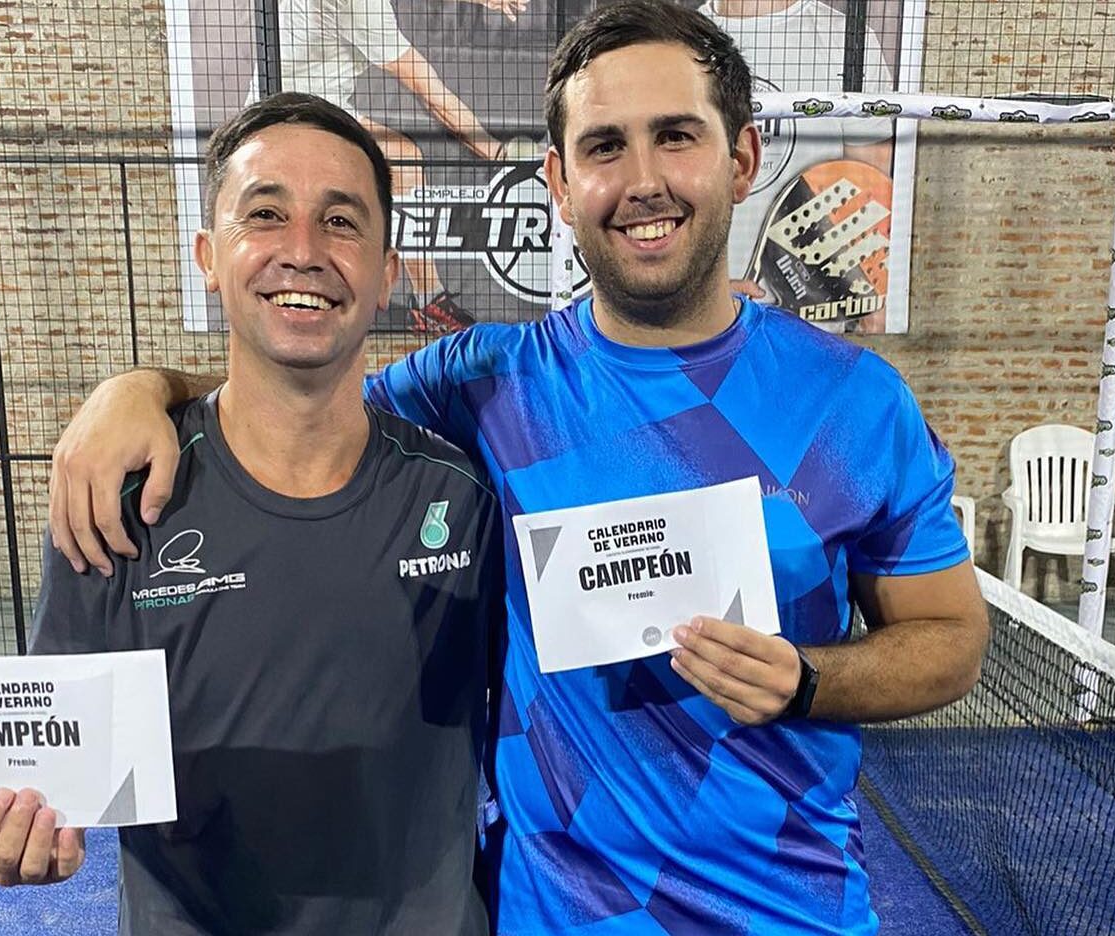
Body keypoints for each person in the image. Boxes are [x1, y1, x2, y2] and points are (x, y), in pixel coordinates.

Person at [50, 3, 988, 932]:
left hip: (792, 912)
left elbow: (950, 639)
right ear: (559, 182)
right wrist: (140, 390)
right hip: (552, 914)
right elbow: (299, 392)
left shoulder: (857, 404)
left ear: (740, 158)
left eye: (676, 137)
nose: (644, 181)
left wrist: (807, 680)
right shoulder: (485, 382)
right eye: (605, 147)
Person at [0, 92, 502, 935]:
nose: (303, 251)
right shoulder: (116, 498)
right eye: (266, 214)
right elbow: (51, 762)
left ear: (387, 273)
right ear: (209, 256)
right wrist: (28, 824)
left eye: (341, 222)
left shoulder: (458, 496)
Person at [272, 0, 530, 332]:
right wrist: (498, 153)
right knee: (401, 159)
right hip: (294, 117)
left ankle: (426, 301)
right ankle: (427, 302)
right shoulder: (364, 6)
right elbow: (431, 94)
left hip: (308, 105)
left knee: (395, 161)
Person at [703, 0, 898, 332]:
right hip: (699, 327)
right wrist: (700, 297)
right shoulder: (680, 43)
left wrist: (871, 306)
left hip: (812, 330)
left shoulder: (848, 41)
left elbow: (868, 194)